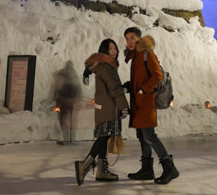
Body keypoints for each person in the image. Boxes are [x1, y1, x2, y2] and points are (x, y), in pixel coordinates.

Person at [123, 27, 179, 185]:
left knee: (150, 136)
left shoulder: (148, 54)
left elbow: (157, 75)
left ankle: (170, 168)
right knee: (142, 137)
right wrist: (130, 86)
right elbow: (142, 77)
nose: (130, 41)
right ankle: (147, 169)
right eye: (127, 39)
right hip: (138, 103)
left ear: (139, 38)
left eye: (132, 38)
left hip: (146, 102)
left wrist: (143, 89)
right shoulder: (135, 56)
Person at [74, 39, 130, 185]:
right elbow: (114, 88)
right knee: (103, 137)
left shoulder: (102, 66)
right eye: (111, 49)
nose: (115, 51)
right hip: (109, 107)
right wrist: (124, 106)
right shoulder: (106, 67)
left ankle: (101, 170)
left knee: (104, 136)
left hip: (104, 106)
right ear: (104, 51)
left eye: (115, 48)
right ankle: (85, 165)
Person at [51, 60, 81, 144]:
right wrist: (80, 99)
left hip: (63, 101)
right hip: (73, 101)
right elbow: (78, 88)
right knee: (73, 120)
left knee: (63, 120)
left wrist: (53, 97)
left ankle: (66, 139)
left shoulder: (61, 75)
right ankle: (73, 139)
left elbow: (56, 87)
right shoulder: (74, 75)